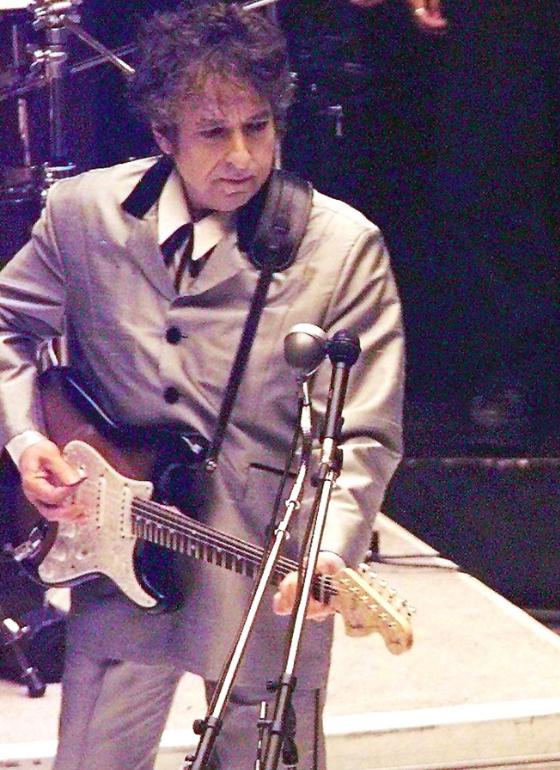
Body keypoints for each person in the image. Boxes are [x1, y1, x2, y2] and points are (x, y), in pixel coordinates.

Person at [0, 4, 404, 770]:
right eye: (214, 133)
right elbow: (6, 328)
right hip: (117, 561)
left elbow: (365, 435)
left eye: (259, 126)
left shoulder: (343, 246)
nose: (243, 156)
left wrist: (331, 550)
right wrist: (25, 440)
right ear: (163, 135)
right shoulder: (82, 218)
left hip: (262, 575)